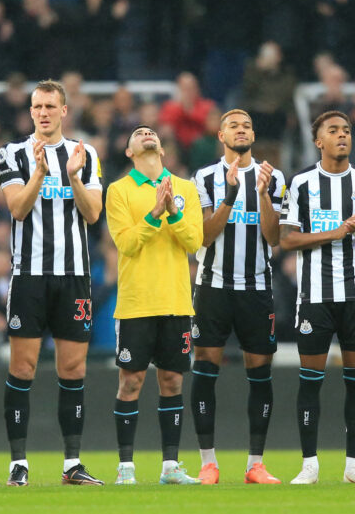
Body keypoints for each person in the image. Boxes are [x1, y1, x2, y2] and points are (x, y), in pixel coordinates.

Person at [0, 80, 103, 486]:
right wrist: (39, 173)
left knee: (73, 369)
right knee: (22, 367)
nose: (42, 112)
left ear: (64, 111)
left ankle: (72, 464)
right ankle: (18, 464)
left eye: (49, 106)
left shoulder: (85, 154)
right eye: (36, 106)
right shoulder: (13, 152)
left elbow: (93, 215)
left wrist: (73, 178)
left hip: (74, 275)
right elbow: (17, 209)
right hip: (29, 276)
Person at [278, 110, 355, 485]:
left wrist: (354, 233)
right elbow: (286, 239)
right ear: (318, 141)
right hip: (314, 295)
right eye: (333, 131)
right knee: (311, 379)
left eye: (347, 131)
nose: (342, 136)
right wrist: (335, 232)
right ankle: (310, 465)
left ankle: (353, 466)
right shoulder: (302, 183)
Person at [189, 109, 285, 485]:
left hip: (257, 287)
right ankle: (208, 462)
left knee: (260, 374)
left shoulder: (272, 177)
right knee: (206, 369)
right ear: (220, 135)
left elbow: (274, 237)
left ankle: (255, 464)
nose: (241, 130)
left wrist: (261, 195)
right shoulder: (205, 177)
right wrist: (229, 196)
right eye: (234, 125)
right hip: (212, 286)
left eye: (246, 125)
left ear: (253, 135)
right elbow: (204, 236)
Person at [105, 126, 203, 485]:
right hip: (135, 303)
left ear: (161, 147)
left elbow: (194, 241)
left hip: (176, 301)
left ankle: (170, 467)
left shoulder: (187, 189)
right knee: (131, 382)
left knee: (173, 380)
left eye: (151, 132)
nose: (146, 133)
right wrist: (155, 213)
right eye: (138, 132)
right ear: (130, 151)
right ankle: (126, 468)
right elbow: (126, 244)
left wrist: (172, 212)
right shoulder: (118, 191)